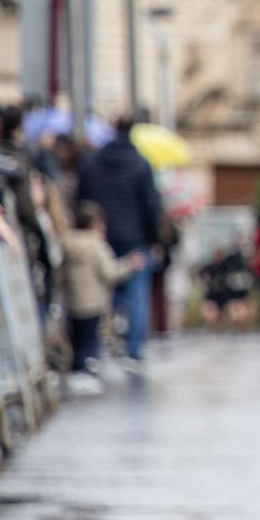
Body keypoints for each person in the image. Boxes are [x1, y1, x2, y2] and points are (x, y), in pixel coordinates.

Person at [74, 117, 164, 371]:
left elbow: (81, 199)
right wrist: (154, 239)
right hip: (135, 239)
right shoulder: (141, 164)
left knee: (101, 292)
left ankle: (98, 346)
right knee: (136, 295)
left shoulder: (92, 161)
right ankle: (133, 350)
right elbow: (151, 206)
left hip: (100, 237)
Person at [60, 202, 145, 395]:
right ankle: (85, 373)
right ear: (95, 223)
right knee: (90, 340)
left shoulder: (67, 242)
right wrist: (129, 264)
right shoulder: (97, 245)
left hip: (72, 300)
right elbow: (109, 272)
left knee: (76, 338)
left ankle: (75, 372)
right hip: (93, 301)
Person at [198, 244, 256, 332]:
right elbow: (200, 275)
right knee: (213, 319)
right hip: (213, 297)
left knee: (239, 318)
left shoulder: (228, 266)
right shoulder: (209, 267)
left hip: (230, 297)